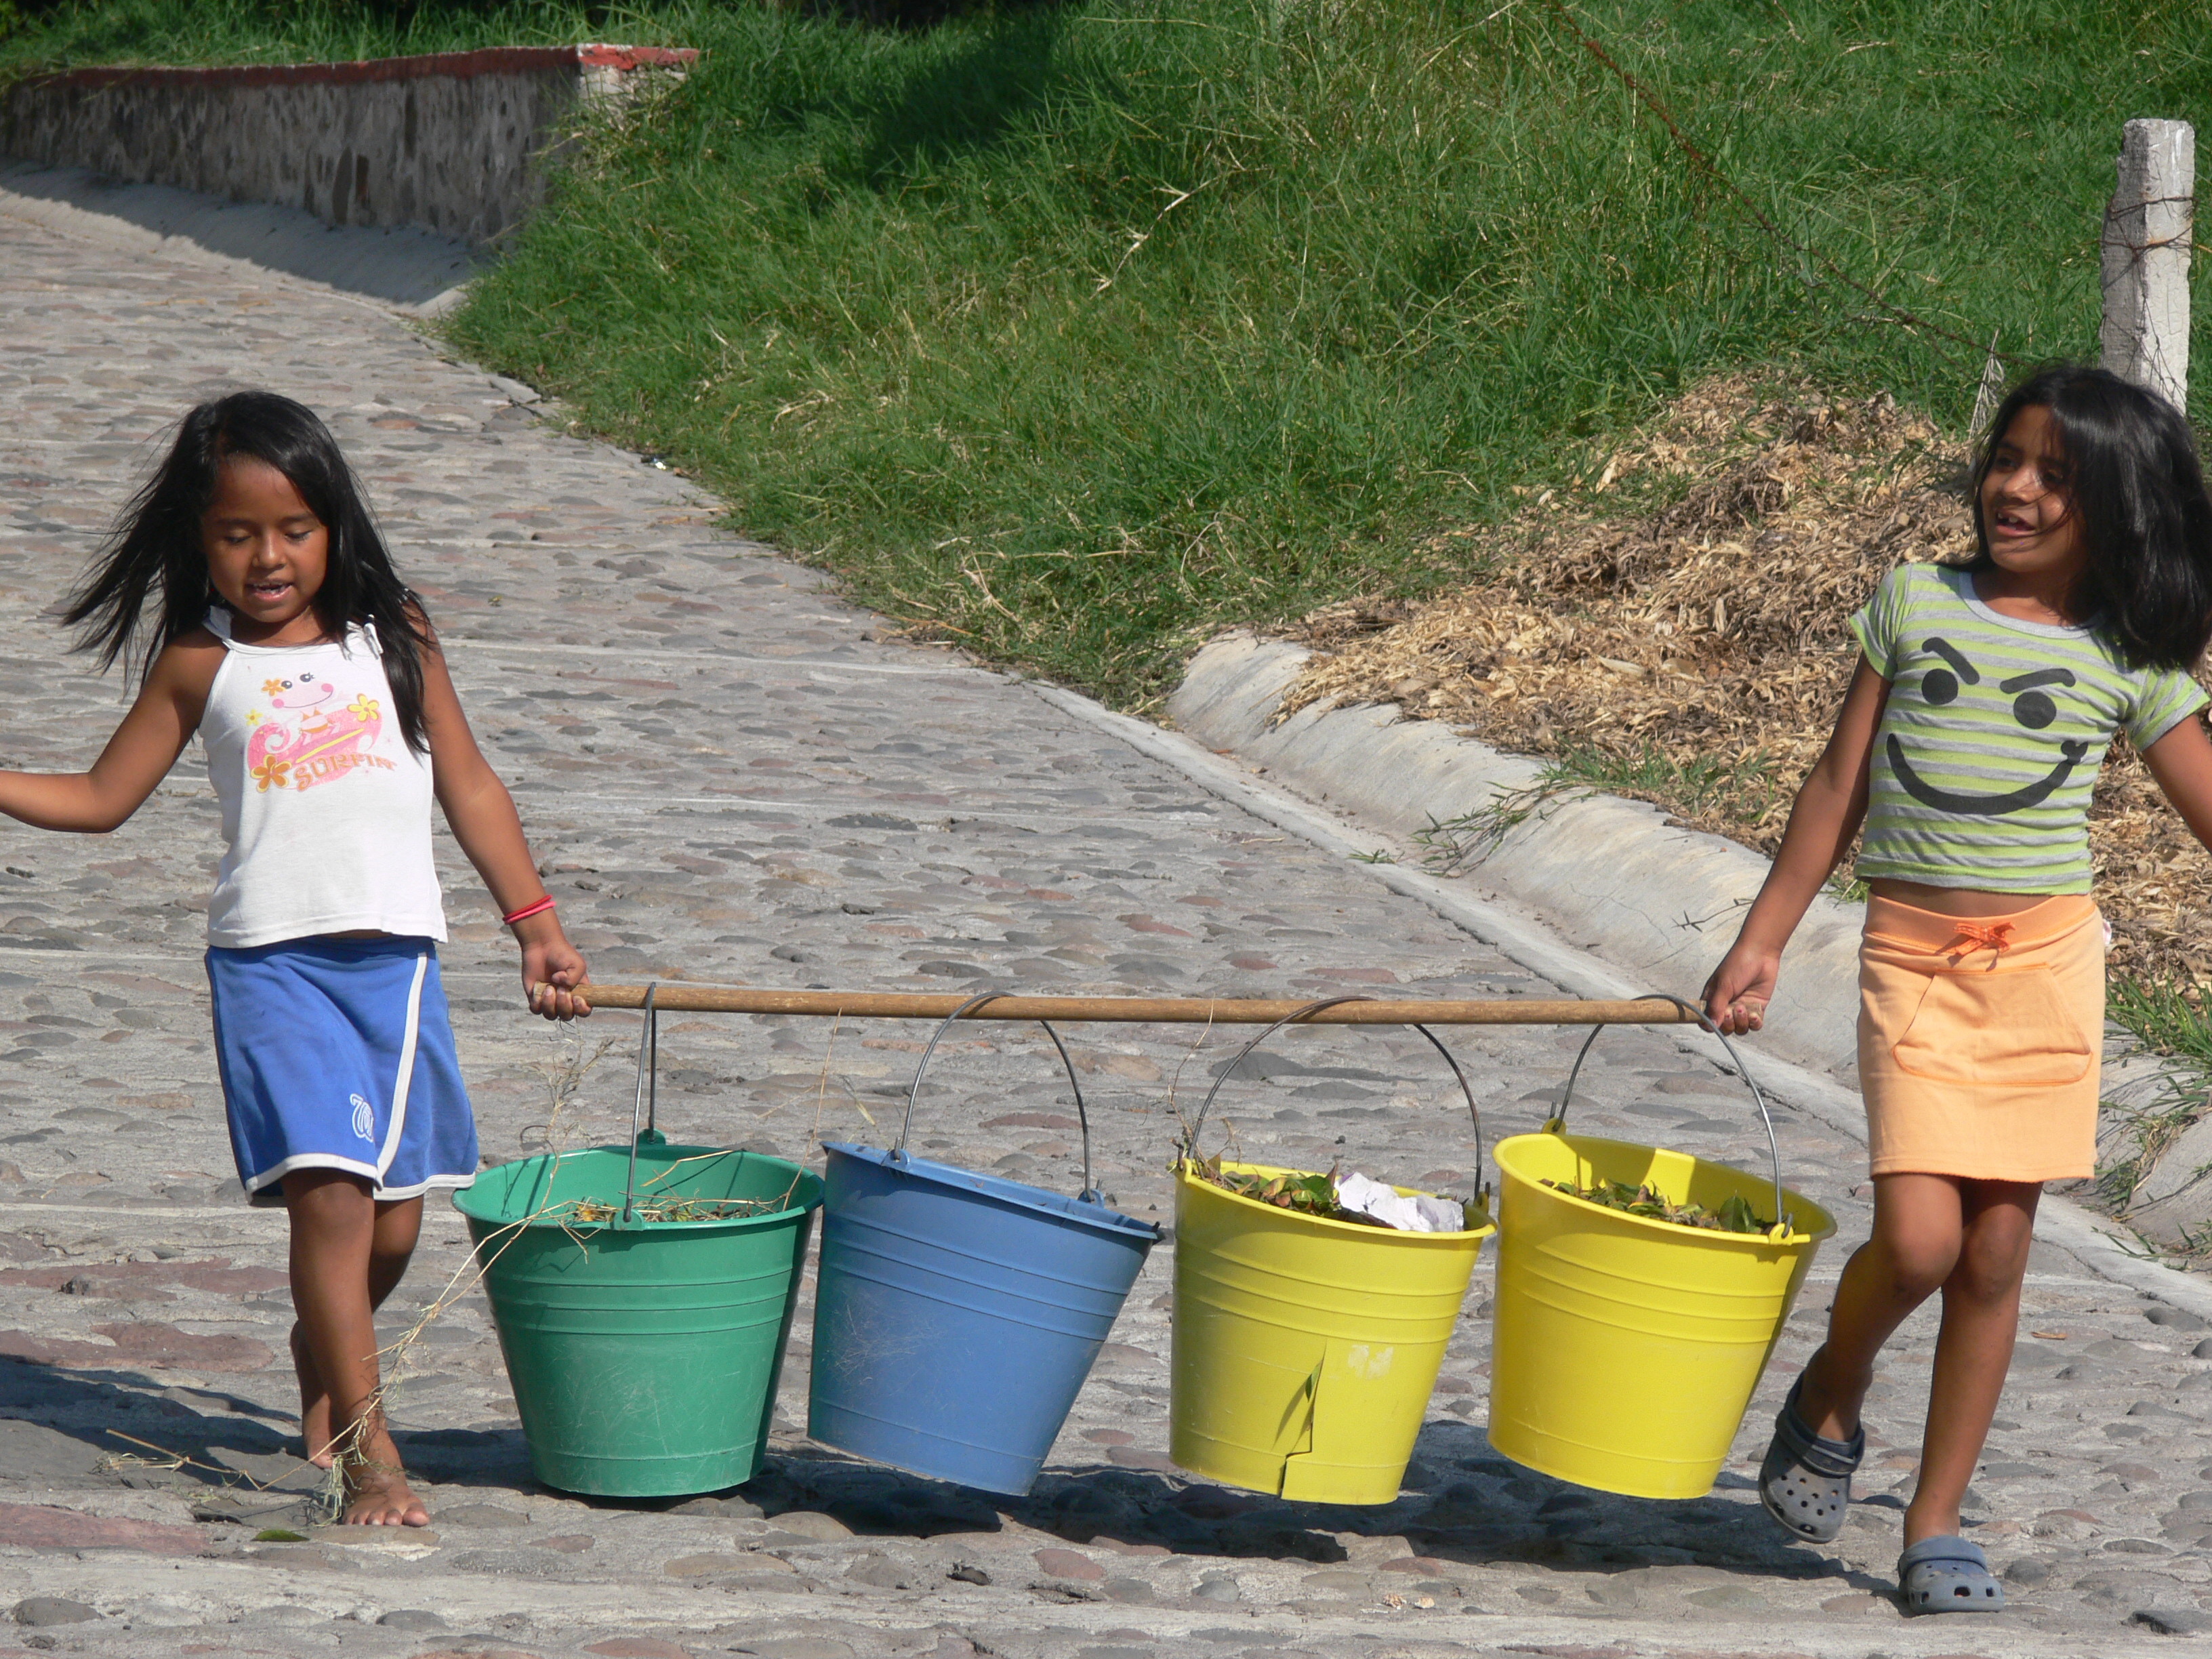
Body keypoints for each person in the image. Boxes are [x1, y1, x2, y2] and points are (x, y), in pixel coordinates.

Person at [0, 391, 591, 1525]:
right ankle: (372, 1456)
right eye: (236, 534)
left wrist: (537, 924)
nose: (268, 558)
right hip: (274, 968)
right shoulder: (197, 664)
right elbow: (97, 798)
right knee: (330, 1198)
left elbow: (466, 784)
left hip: (401, 970)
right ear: (200, 539)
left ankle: (326, 1340)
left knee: (396, 1222)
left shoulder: (398, 635)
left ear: (334, 527)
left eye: (294, 530)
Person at [1702, 364, 2212, 1613]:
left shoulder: (2126, 659)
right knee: (1922, 1241)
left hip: (2043, 975)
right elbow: (1837, 787)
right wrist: (1763, 938)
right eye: (2009, 461)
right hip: (1916, 970)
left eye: (2057, 477)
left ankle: (1934, 1526)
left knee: (1994, 1253)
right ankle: (1835, 1379)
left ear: (2120, 510)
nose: (2018, 491)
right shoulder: (1917, 602)